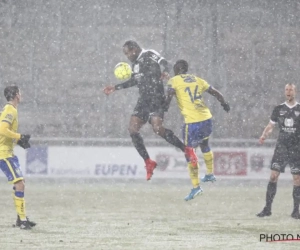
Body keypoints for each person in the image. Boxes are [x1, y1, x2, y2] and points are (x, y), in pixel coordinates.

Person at [103, 41, 198, 181]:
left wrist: (165, 71)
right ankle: (148, 162)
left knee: (158, 129)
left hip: (156, 97)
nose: (127, 56)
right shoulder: (134, 66)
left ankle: (187, 150)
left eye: (128, 52)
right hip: (143, 100)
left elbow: (166, 63)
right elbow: (134, 81)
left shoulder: (149, 54)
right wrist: (116, 87)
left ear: (134, 49)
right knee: (132, 129)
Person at [165, 60, 230, 201]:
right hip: (206, 118)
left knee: (189, 152)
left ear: (176, 70)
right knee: (205, 144)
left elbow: (169, 95)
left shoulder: (174, 80)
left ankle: (196, 187)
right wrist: (224, 103)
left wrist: (163, 109)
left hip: (192, 122)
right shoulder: (197, 79)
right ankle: (210, 173)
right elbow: (215, 92)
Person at [257, 83, 300, 219]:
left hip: (296, 148)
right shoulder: (278, 109)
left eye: (291, 90)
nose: (288, 92)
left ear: (295, 92)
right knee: (273, 176)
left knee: (297, 179)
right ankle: (267, 208)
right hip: (281, 148)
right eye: (286, 90)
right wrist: (264, 135)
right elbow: (271, 126)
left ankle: (295, 211)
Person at [0, 86, 36, 229]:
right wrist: (19, 136)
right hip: (3, 153)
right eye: (20, 93)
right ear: (16, 95)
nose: (21, 95)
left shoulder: (8, 109)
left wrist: (17, 141)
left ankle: (20, 218)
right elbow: (2, 130)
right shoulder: (10, 109)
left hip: (8, 152)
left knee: (20, 183)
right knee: (19, 183)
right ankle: (22, 221)